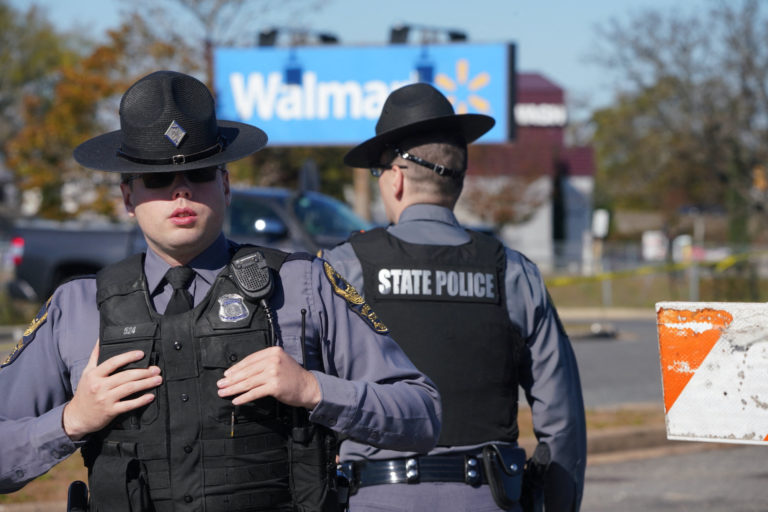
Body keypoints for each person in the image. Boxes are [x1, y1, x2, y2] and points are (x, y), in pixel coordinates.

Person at [0, 71, 441, 511]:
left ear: (226, 185)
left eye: (199, 172)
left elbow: (422, 415)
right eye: (156, 179)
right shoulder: (77, 309)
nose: (181, 190)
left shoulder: (303, 286)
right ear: (128, 198)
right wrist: (71, 421)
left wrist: (313, 390)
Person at [321, 82, 586, 511]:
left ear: (397, 179)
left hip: (372, 499)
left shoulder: (343, 268)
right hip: (488, 497)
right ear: (458, 183)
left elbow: (306, 396)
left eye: (379, 173)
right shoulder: (513, 273)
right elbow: (562, 423)